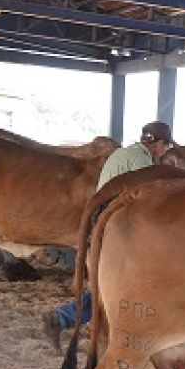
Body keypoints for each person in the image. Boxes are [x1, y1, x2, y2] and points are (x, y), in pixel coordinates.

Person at [43, 121, 174, 349]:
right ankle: (63, 317)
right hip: (115, 228)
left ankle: (65, 317)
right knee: (113, 288)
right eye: (165, 147)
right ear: (159, 145)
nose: (163, 152)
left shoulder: (122, 153)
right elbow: (149, 201)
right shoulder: (141, 161)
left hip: (100, 223)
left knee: (106, 287)